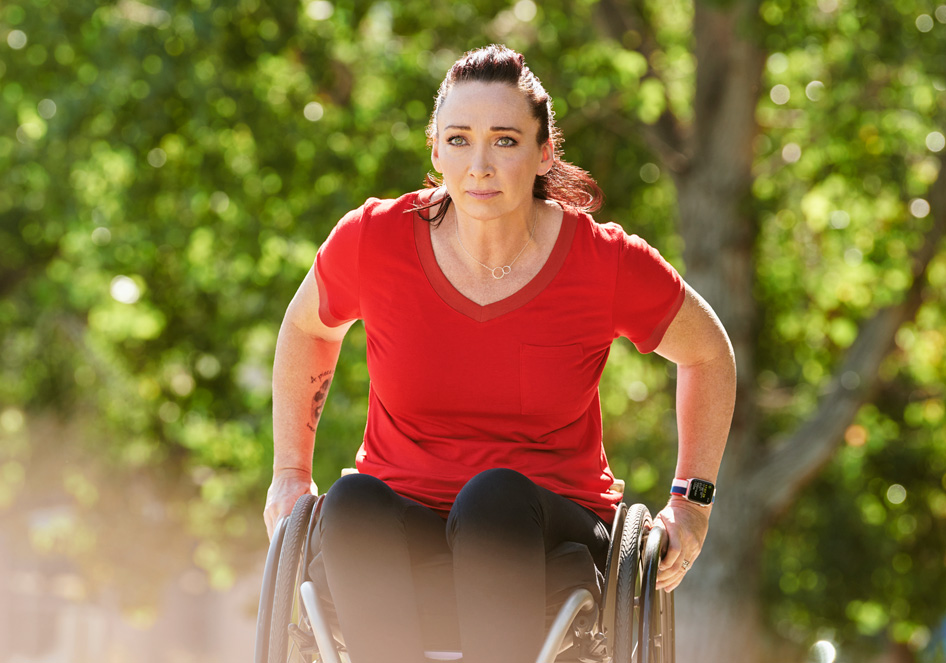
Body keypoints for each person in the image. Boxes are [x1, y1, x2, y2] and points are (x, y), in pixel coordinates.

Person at [263, 44, 736, 663]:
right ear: (435, 150)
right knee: (350, 504)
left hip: (546, 526)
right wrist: (290, 475)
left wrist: (690, 504)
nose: (479, 165)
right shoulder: (375, 239)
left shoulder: (602, 261)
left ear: (544, 152)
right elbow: (307, 330)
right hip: (403, 519)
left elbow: (708, 353)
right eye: (458, 140)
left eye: (504, 141)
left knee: (492, 499)